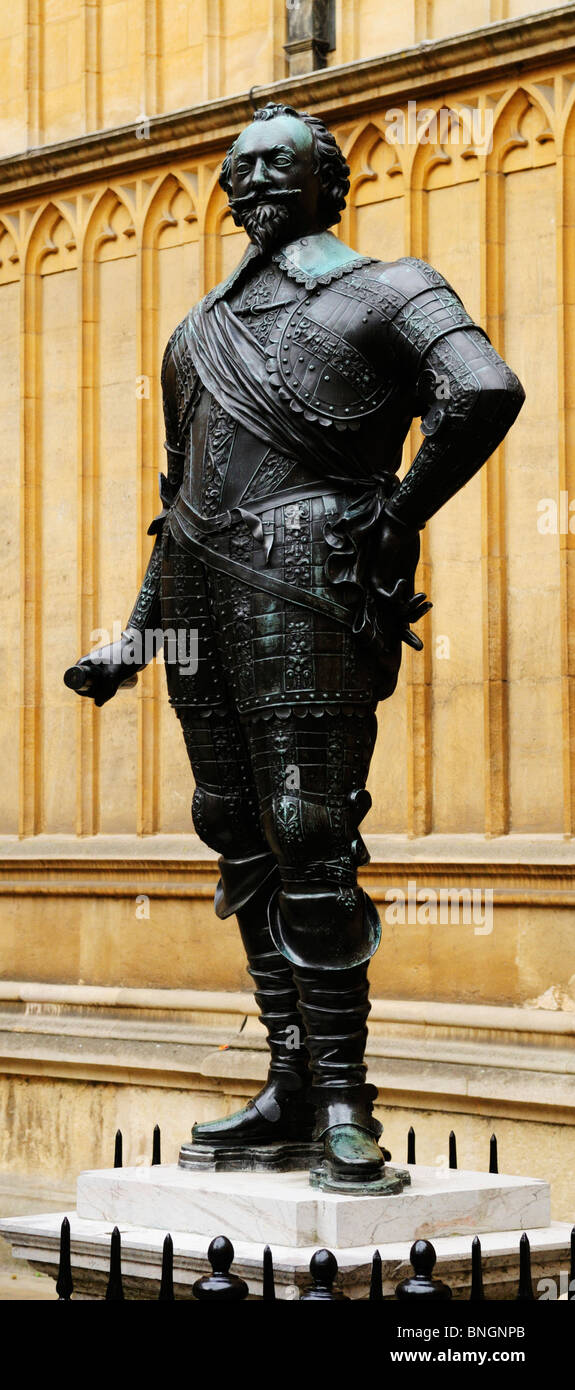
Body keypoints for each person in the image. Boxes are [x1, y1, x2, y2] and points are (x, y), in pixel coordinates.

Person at [68, 103, 524, 1194]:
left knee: (308, 829)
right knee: (232, 832)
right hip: (199, 594)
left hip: (306, 588)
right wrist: (134, 637)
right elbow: (178, 503)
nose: (250, 187)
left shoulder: (387, 287)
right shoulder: (194, 333)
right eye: (235, 173)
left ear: (329, 182)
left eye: (275, 168)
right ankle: (287, 1077)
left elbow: (482, 391)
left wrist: (397, 509)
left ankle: (346, 1104)